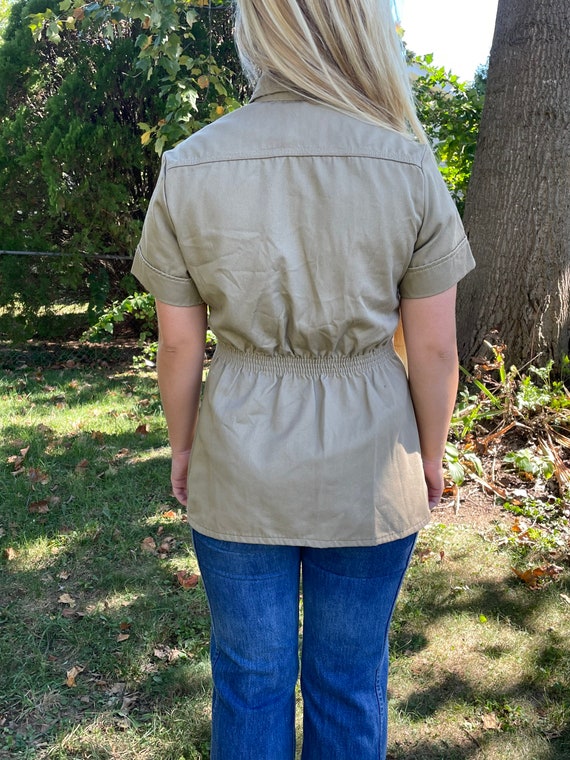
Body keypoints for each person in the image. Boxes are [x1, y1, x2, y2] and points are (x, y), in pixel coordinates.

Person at [131, 1, 475, 757]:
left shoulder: (191, 162)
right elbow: (436, 351)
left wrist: (183, 449)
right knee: (350, 681)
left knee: (249, 678)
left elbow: (181, 347)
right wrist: (433, 456)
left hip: (238, 457)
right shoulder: (408, 162)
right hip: (373, 463)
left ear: (259, 31)